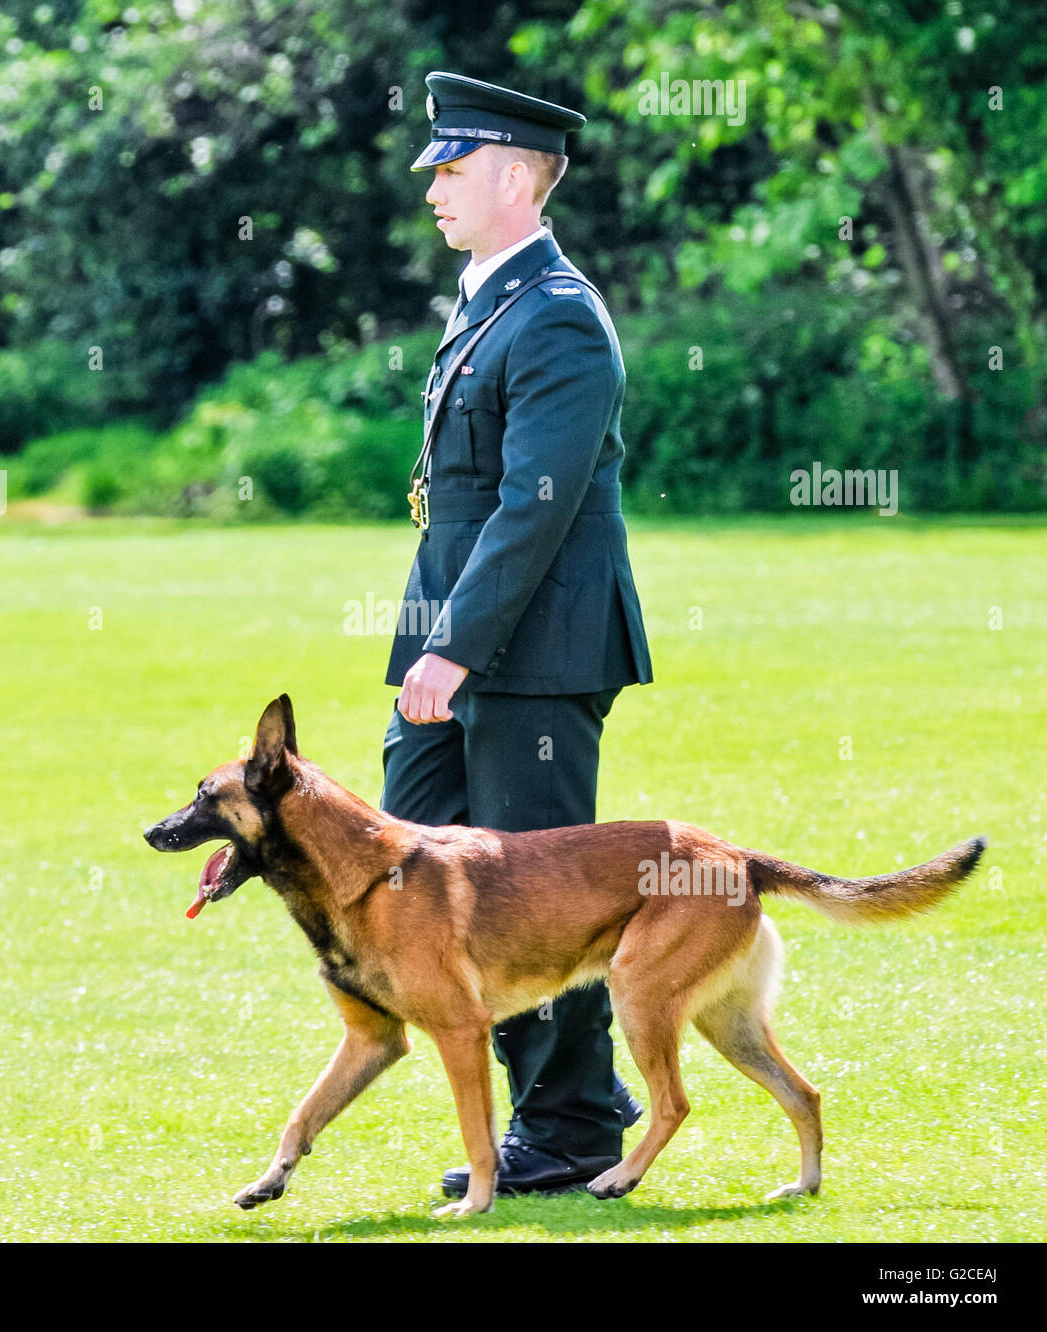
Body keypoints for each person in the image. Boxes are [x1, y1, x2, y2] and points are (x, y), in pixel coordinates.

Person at [379, 71, 654, 1199]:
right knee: (409, 859)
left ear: (508, 174)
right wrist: (421, 644)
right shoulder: (489, 293)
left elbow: (531, 502)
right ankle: (562, 1098)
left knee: (533, 895)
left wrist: (457, 646)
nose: (433, 191)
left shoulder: (557, 314)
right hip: (453, 633)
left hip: (531, 652)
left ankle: (573, 1120)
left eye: (449, 171)